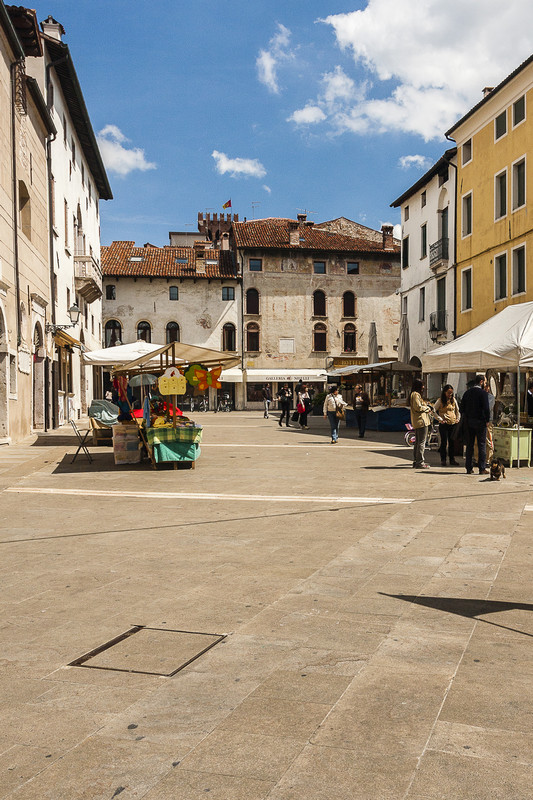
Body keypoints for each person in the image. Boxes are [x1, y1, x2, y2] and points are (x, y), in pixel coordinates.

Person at [460, 374, 490, 475]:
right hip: (480, 422)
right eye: (485, 382)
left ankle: (469, 468)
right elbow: (486, 408)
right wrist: (487, 420)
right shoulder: (483, 393)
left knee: (470, 445)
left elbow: (461, 408)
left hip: (469, 422)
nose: (485, 384)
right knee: (481, 444)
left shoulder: (467, 393)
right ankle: (482, 468)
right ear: (481, 382)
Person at [409, 379, 434, 469]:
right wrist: (427, 408)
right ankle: (420, 462)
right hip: (421, 421)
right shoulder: (415, 395)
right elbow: (418, 407)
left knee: (418, 442)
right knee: (421, 442)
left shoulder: (415, 395)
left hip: (419, 421)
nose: (423, 387)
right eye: (422, 385)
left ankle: (416, 461)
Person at [434, 384, 460, 467]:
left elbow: (457, 410)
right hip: (444, 424)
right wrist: (440, 419)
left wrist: (457, 418)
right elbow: (433, 411)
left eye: (451, 393)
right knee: (444, 442)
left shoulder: (453, 400)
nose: (450, 395)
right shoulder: (440, 400)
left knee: (452, 442)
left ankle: (452, 459)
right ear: (444, 392)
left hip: (452, 423)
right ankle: (443, 459)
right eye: (449, 393)